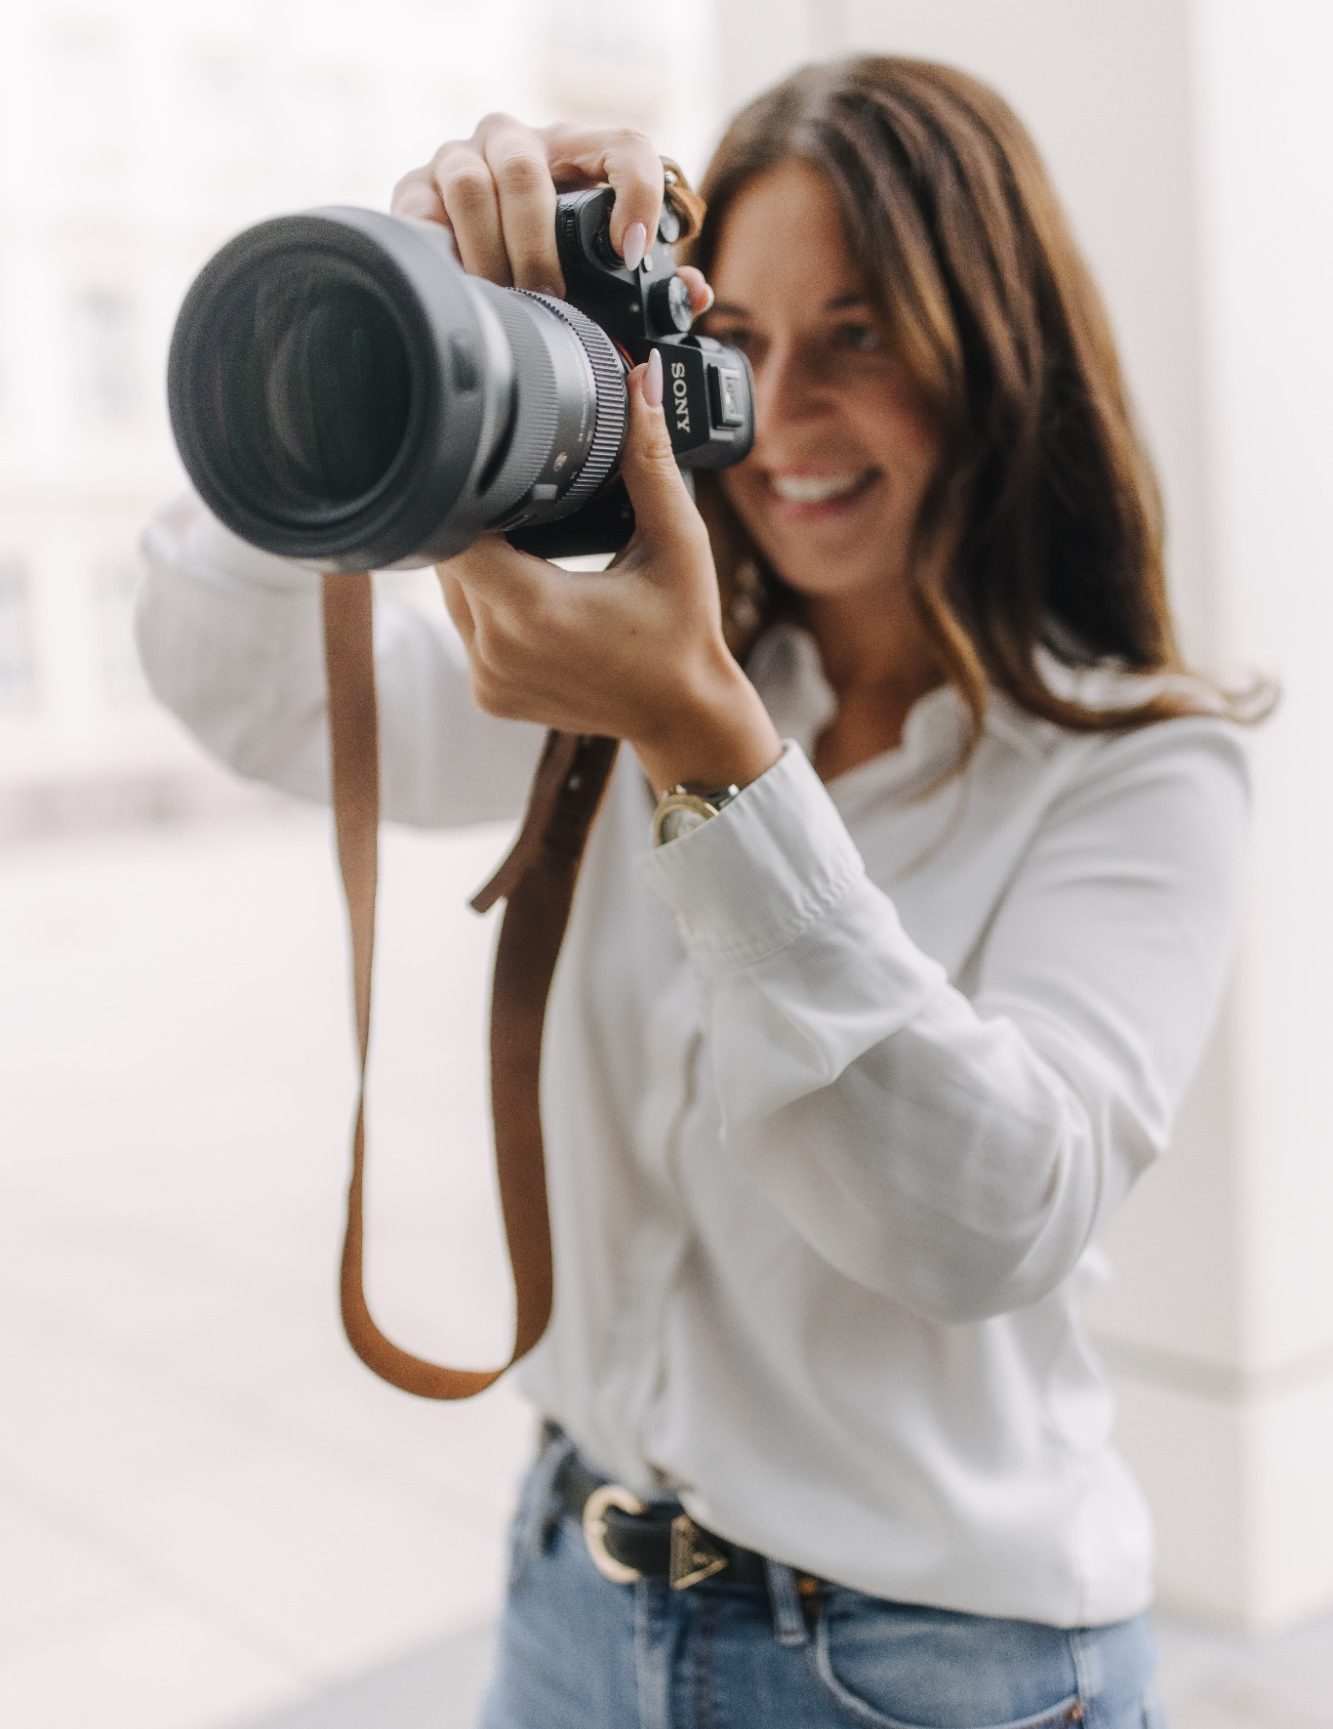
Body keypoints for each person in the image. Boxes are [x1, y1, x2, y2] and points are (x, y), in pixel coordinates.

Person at [135, 54, 1277, 1729]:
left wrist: (709, 747)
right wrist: (393, 313)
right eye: (736, 340)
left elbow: (989, 1216)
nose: (786, 410)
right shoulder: (624, 675)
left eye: (862, 334)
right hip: (570, 1597)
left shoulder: (1135, 761)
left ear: (998, 357)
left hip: (928, 1666)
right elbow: (235, 677)